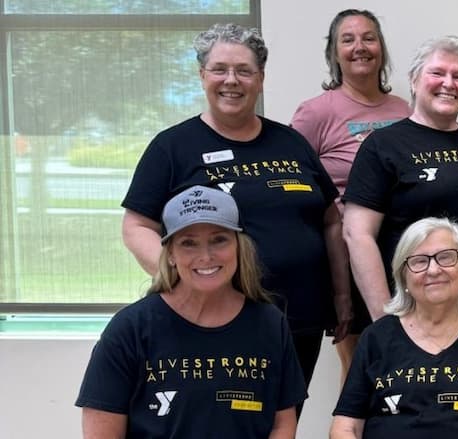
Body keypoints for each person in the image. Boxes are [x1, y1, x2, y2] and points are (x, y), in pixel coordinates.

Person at [120, 23, 345, 412]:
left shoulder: (291, 142)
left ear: (260, 79)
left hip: (300, 319)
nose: (232, 81)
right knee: (226, 421)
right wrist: (181, 280)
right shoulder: (173, 147)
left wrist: (341, 296)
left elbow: (330, 220)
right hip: (217, 320)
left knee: (283, 420)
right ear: (202, 74)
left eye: (244, 70)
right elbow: (137, 226)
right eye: (220, 69)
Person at [78, 186, 306, 438]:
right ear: (171, 253)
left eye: (219, 239)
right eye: (189, 243)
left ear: (238, 246)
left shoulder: (270, 324)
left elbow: (282, 424)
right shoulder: (131, 328)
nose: (206, 256)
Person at [343, 35, 458, 323]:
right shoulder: (382, 146)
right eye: (437, 73)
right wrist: (384, 319)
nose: (449, 83)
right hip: (412, 317)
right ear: (414, 81)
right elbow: (357, 234)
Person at [290, 8, 411, 381]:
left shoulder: (405, 110)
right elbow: (298, 191)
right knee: (363, 360)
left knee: (408, 357)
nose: (360, 47)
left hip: (406, 254)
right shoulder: (315, 113)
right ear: (334, 53)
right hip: (350, 255)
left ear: (382, 49)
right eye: (348, 39)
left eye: (369, 38)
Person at [330, 217, 458, 439]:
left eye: (446, 258)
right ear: (403, 276)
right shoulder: (376, 338)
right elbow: (345, 428)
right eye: (419, 261)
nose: (433, 270)